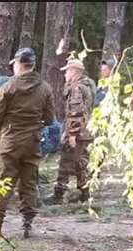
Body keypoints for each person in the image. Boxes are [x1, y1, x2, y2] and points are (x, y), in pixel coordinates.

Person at [0, 47, 54, 238]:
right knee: (29, 182)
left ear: (19, 64)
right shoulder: (45, 88)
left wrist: (6, 129)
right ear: (32, 65)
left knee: (3, 181)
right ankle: (27, 225)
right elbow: (50, 118)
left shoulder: (8, 87)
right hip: (33, 141)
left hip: (11, 140)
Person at [46, 59, 94, 205]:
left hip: (78, 132)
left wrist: (71, 133)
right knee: (81, 163)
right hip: (85, 132)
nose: (65, 74)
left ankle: (59, 194)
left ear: (75, 72)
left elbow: (76, 112)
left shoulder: (76, 89)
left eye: (67, 71)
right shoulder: (87, 86)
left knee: (66, 162)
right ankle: (85, 193)